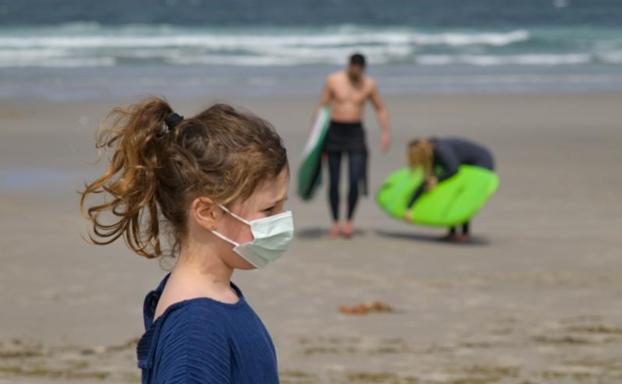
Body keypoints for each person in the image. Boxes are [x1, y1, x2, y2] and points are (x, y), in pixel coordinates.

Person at [80, 98, 292, 383]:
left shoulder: (218, 298)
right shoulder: (196, 331)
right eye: (269, 209)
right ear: (207, 212)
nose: (281, 220)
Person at [316, 52, 391, 238]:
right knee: (334, 182)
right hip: (334, 131)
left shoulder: (369, 84)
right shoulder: (333, 80)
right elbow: (322, 107)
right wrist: (315, 139)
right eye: (353, 67)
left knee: (355, 180)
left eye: (359, 69)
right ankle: (335, 223)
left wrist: (385, 133)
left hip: (355, 133)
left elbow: (380, 108)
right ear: (349, 65)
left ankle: (349, 222)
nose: (355, 71)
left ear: (363, 68)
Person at [404, 137, 495, 242]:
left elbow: (453, 170)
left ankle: (465, 234)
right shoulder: (431, 152)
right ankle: (452, 232)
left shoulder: (441, 151)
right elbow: (426, 182)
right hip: (462, 164)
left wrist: (437, 179)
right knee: (448, 191)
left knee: (461, 196)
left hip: (482, 162)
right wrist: (409, 207)